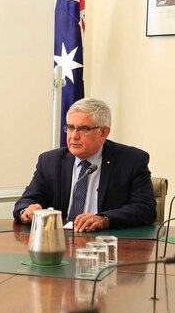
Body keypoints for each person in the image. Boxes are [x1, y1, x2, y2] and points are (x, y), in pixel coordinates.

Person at [13, 98, 157, 232]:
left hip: (107, 244)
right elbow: (26, 201)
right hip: (61, 242)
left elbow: (145, 209)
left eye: (83, 129)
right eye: (70, 127)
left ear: (103, 133)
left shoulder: (131, 160)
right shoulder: (50, 161)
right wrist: (26, 211)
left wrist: (104, 219)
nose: (73, 136)